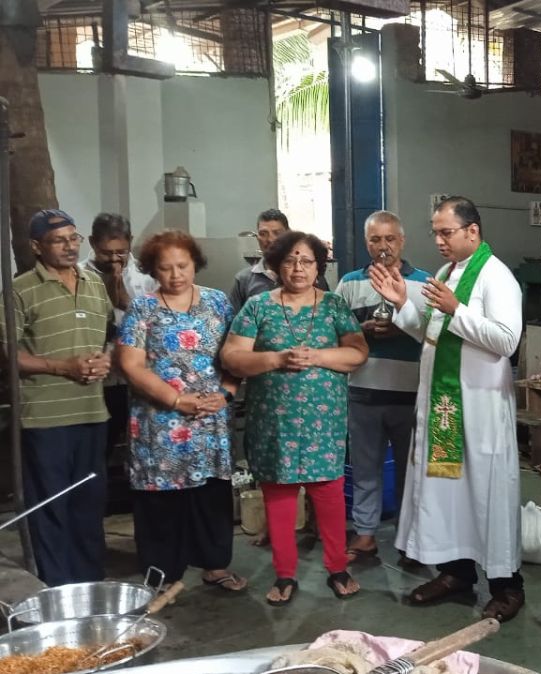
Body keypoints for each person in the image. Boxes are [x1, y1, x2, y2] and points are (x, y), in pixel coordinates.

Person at [368, 196, 526, 622]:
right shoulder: (444, 273)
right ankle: (456, 573)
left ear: (472, 231)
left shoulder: (496, 277)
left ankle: (507, 585)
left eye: (446, 232)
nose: (438, 240)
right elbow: (433, 333)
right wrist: (402, 305)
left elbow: (506, 340)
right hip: (445, 404)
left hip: (480, 405)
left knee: (487, 493)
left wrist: (456, 310)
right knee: (448, 490)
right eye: (435, 232)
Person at [221, 231, 368, 605]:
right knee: (280, 498)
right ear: (276, 266)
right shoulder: (258, 307)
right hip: (275, 423)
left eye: (306, 261)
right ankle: (285, 575)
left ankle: (337, 568)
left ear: (318, 267)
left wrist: (316, 356)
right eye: (289, 260)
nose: (298, 268)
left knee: (329, 496)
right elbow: (232, 358)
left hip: (325, 423)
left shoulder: (334, 306)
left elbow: (357, 353)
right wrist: (276, 359)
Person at [115, 230, 246, 592]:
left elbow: (236, 354)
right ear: (153, 270)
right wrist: (175, 400)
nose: (175, 275)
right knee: (162, 498)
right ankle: (164, 573)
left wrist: (226, 394)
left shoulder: (218, 302)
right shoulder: (143, 308)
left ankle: (214, 565)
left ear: (195, 264)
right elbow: (131, 365)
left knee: (210, 494)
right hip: (159, 422)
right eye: (165, 268)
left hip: (210, 419)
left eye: (182, 266)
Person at [0, 209, 112, 585]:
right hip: (45, 419)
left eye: (73, 238)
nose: (69, 246)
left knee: (89, 503)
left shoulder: (94, 283)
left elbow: (109, 336)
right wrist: (64, 367)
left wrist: (106, 359)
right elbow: (9, 354)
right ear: (36, 246)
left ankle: (90, 585)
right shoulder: (19, 290)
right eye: (58, 240)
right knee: (50, 506)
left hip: (92, 413)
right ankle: (59, 588)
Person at [334, 211, 430, 563]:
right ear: (366, 243)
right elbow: (334, 331)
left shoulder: (424, 283)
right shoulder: (349, 283)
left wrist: (403, 327)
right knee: (365, 467)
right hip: (363, 389)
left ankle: (409, 538)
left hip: (411, 392)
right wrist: (362, 330)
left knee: (411, 470)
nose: (383, 246)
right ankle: (365, 534)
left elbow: (434, 332)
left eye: (390, 238)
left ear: (402, 241)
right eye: (375, 239)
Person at [85, 213, 157, 461]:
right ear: (92, 243)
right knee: (99, 448)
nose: (115, 259)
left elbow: (161, 321)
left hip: (140, 376)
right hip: (99, 379)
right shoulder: (79, 275)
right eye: (107, 253)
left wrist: (127, 302)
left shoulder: (147, 276)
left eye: (121, 252)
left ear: (130, 242)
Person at [229, 209, 327, 314]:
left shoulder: (311, 276)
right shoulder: (244, 279)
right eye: (263, 233)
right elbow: (234, 319)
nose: (270, 239)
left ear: (289, 234)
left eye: (277, 233)